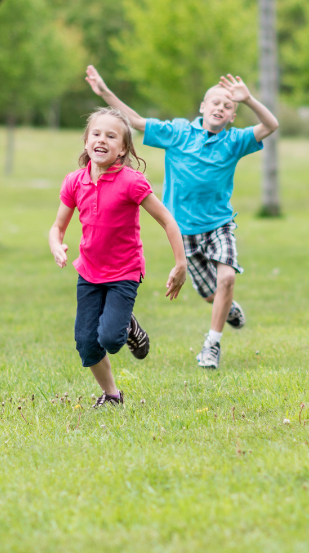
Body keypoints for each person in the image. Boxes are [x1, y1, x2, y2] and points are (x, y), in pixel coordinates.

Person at [84, 65, 278, 370]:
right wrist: (105, 92)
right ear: (202, 107)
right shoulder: (177, 133)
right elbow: (134, 121)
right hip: (184, 231)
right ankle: (226, 309)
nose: (221, 108)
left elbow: (271, 125)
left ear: (232, 117)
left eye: (228, 106)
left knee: (227, 278)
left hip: (218, 225)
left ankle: (211, 346)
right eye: (215, 102)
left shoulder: (234, 141)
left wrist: (249, 99)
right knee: (210, 294)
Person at [48, 108, 188, 406]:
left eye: (111, 136)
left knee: (111, 339)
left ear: (123, 149)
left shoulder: (131, 182)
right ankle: (112, 396)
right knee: (87, 344)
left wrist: (180, 263)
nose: (102, 139)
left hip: (124, 271)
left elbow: (167, 221)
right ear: (86, 142)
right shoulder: (75, 181)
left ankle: (127, 326)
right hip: (88, 273)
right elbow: (57, 227)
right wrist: (56, 245)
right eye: (96, 134)